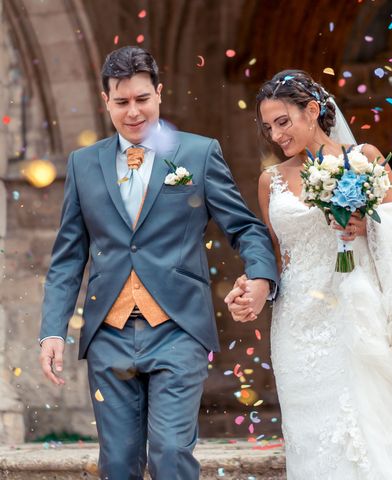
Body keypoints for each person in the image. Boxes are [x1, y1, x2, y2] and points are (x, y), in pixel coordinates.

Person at [38, 46, 278, 480]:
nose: (134, 112)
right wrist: (53, 329)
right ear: (105, 102)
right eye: (123, 101)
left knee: (170, 453)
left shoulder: (199, 154)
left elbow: (246, 228)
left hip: (178, 329)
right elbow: (68, 257)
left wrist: (261, 277)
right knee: (118, 463)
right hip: (107, 335)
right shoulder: (83, 164)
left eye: (142, 99)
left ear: (160, 94)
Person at [225, 70, 392, 479]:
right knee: (312, 439)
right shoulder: (271, 181)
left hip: (354, 313)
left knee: (365, 431)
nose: (277, 135)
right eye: (268, 128)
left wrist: (368, 223)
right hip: (297, 324)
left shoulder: (365, 158)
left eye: (283, 122)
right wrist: (254, 286)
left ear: (313, 111)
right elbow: (277, 260)